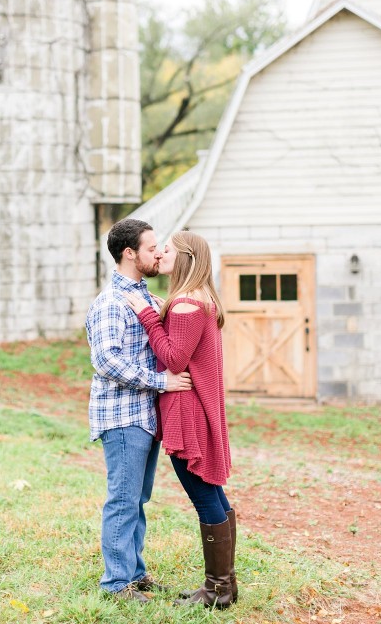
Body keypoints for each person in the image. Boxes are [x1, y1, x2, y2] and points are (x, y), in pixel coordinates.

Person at [124, 230, 236, 609]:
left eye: (167, 249)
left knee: (205, 498)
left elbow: (173, 358)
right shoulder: (198, 299)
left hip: (186, 413)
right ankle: (225, 586)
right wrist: (161, 312)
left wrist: (147, 318)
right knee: (214, 495)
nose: (160, 253)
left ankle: (217, 590)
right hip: (196, 409)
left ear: (185, 256)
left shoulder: (187, 304)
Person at [86, 218, 194, 602]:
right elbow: (107, 361)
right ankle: (116, 585)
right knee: (123, 499)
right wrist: (162, 381)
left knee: (138, 498)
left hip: (145, 418)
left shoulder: (147, 298)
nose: (159, 253)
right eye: (151, 248)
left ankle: (134, 573)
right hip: (122, 417)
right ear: (129, 253)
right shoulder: (110, 303)